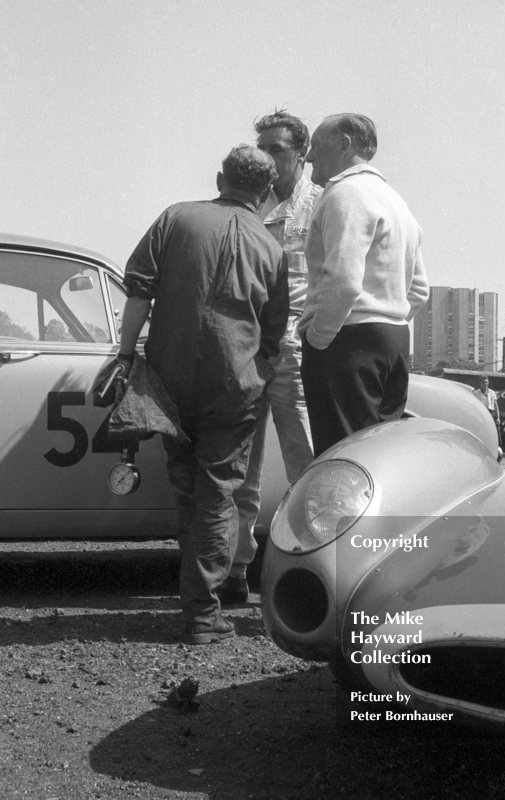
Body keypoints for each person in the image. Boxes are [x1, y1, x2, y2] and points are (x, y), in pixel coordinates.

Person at [116, 146, 288, 644]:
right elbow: (274, 337)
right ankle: (202, 613)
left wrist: (127, 358)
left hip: (170, 375)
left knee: (188, 483)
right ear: (268, 193)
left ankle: (196, 602)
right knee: (219, 491)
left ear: (219, 177)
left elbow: (139, 294)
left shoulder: (174, 218)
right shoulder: (273, 249)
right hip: (234, 381)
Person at [223, 112, 322, 605]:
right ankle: (239, 568)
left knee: (307, 467)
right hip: (246, 351)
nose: (267, 156)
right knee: (243, 466)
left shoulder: (321, 205)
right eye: (261, 147)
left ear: (301, 154)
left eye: (277, 149)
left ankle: (310, 574)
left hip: (293, 353)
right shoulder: (247, 202)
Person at [298, 113, 429, 457]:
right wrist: (388, 320)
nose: (309, 156)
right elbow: (418, 291)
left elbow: (342, 281)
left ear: (344, 145)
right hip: (394, 341)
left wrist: (318, 338)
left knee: (342, 459)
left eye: (315, 145)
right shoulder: (396, 201)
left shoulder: (345, 194)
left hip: (347, 341)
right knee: (377, 459)